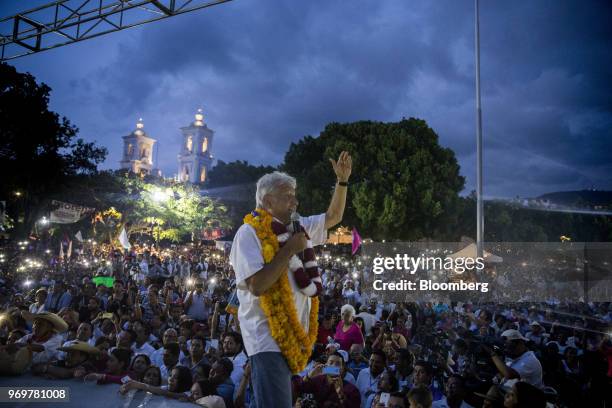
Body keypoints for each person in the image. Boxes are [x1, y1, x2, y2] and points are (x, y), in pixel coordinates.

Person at [229, 152, 352, 408]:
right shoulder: (249, 233)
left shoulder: (297, 228)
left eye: (295, 196)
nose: (295, 202)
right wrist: (289, 250)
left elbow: (333, 217)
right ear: (268, 201)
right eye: (288, 197)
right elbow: (258, 285)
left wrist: (342, 182)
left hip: (292, 337)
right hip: (267, 338)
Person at [295, 351, 361, 407]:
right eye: (331, 362)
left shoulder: (351, 390)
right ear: (325, 365)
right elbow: (300, 387)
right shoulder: (317, 380)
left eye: (338, 364)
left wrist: (340, 393)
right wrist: (309, 376)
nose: (334, 366)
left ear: (342, 369)